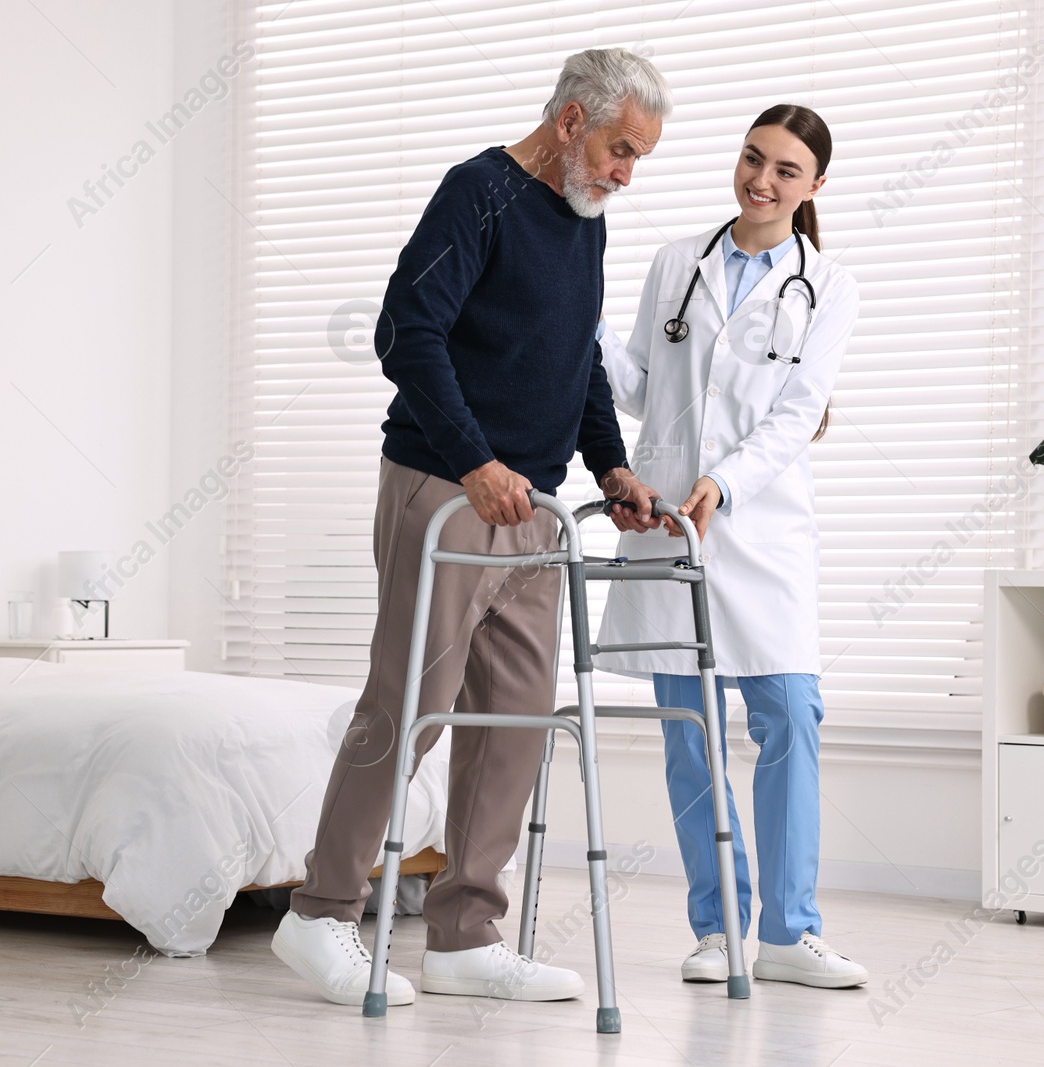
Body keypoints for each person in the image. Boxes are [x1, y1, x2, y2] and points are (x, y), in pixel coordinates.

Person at [272, 49, 669, 1007]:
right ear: (572, 121)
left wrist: (609, 464)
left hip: (530, 510)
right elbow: (406, 330)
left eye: (639, 160)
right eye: (620, 149)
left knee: (519, 721)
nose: (626, 174)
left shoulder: (584, 223)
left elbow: (578, 366)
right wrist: (473, 458)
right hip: (445, 492)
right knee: (407, 710)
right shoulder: (478, 192)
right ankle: (319, 914)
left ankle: (462, 934)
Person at [595, 103, 868, 989]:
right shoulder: (680, 262)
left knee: (790, 715)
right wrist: (577, 323)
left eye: (786, 169)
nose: (762, 179)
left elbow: (797, 415)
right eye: (754, 158)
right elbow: (639, 382)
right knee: (691, 734)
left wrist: (727, 481)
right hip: (669, 522)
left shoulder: (828, 286)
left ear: (814, 186)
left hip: (761, 526)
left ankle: (789, 931)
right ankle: (717, 928)